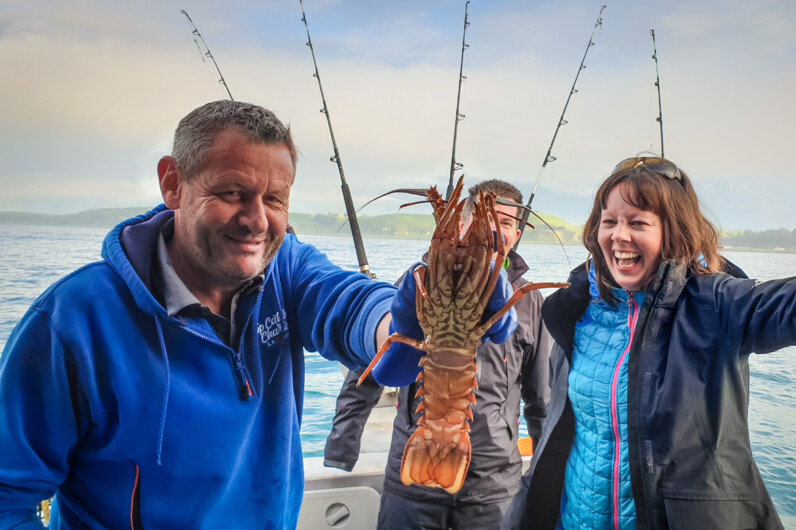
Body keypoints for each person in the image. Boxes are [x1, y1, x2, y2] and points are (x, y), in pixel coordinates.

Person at [0, 100, 516, 529]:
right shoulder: (74, 320)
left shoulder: (287, 267)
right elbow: (8, 494)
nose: (256, 220)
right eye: (232, 193)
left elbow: (352, 305)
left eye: (275, 198)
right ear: (173, 183)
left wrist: (408, 323)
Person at [503, 156, 796, 529]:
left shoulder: (717, 303)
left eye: (638, 222)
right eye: (609, 221)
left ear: (671, 231)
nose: (619, 236)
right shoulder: (574, 308)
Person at [325, 179, 554, 529]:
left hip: (493, 486)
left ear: (518, 235)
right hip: (412, 477)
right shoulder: (419, 280)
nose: (495, 230)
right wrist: (342, 444)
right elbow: (376, 358)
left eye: (507, 223)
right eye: (484, 220)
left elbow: (541, 397)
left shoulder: (529, 302)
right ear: (460, 225)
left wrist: (543, 472)